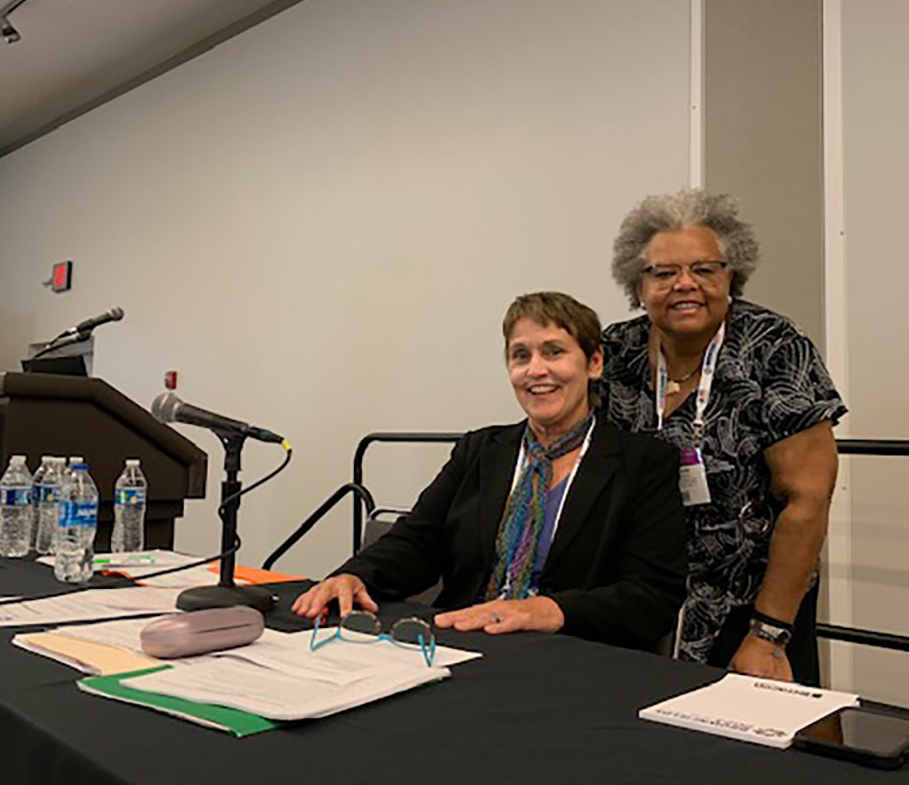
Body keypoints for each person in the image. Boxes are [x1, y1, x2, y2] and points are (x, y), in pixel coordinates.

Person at [293, 292, 687, 651]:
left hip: (571, 658)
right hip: (460, 647)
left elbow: (652, 598)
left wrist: (544, 612)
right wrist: (356, 575)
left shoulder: (643, 464)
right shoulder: (480, 450)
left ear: (594, 362)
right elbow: (418, 541)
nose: (536, 370)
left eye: (554, 352)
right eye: (521, 356)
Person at [601, 189, 846, 684]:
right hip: (637, 597)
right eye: (664, 273)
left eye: (705, 269)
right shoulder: (614, 351)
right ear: (637, 283)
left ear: (731, 275)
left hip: (750, 602)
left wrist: (769, 634)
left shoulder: (774, 348)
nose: (684, 285)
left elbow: (808, 500)